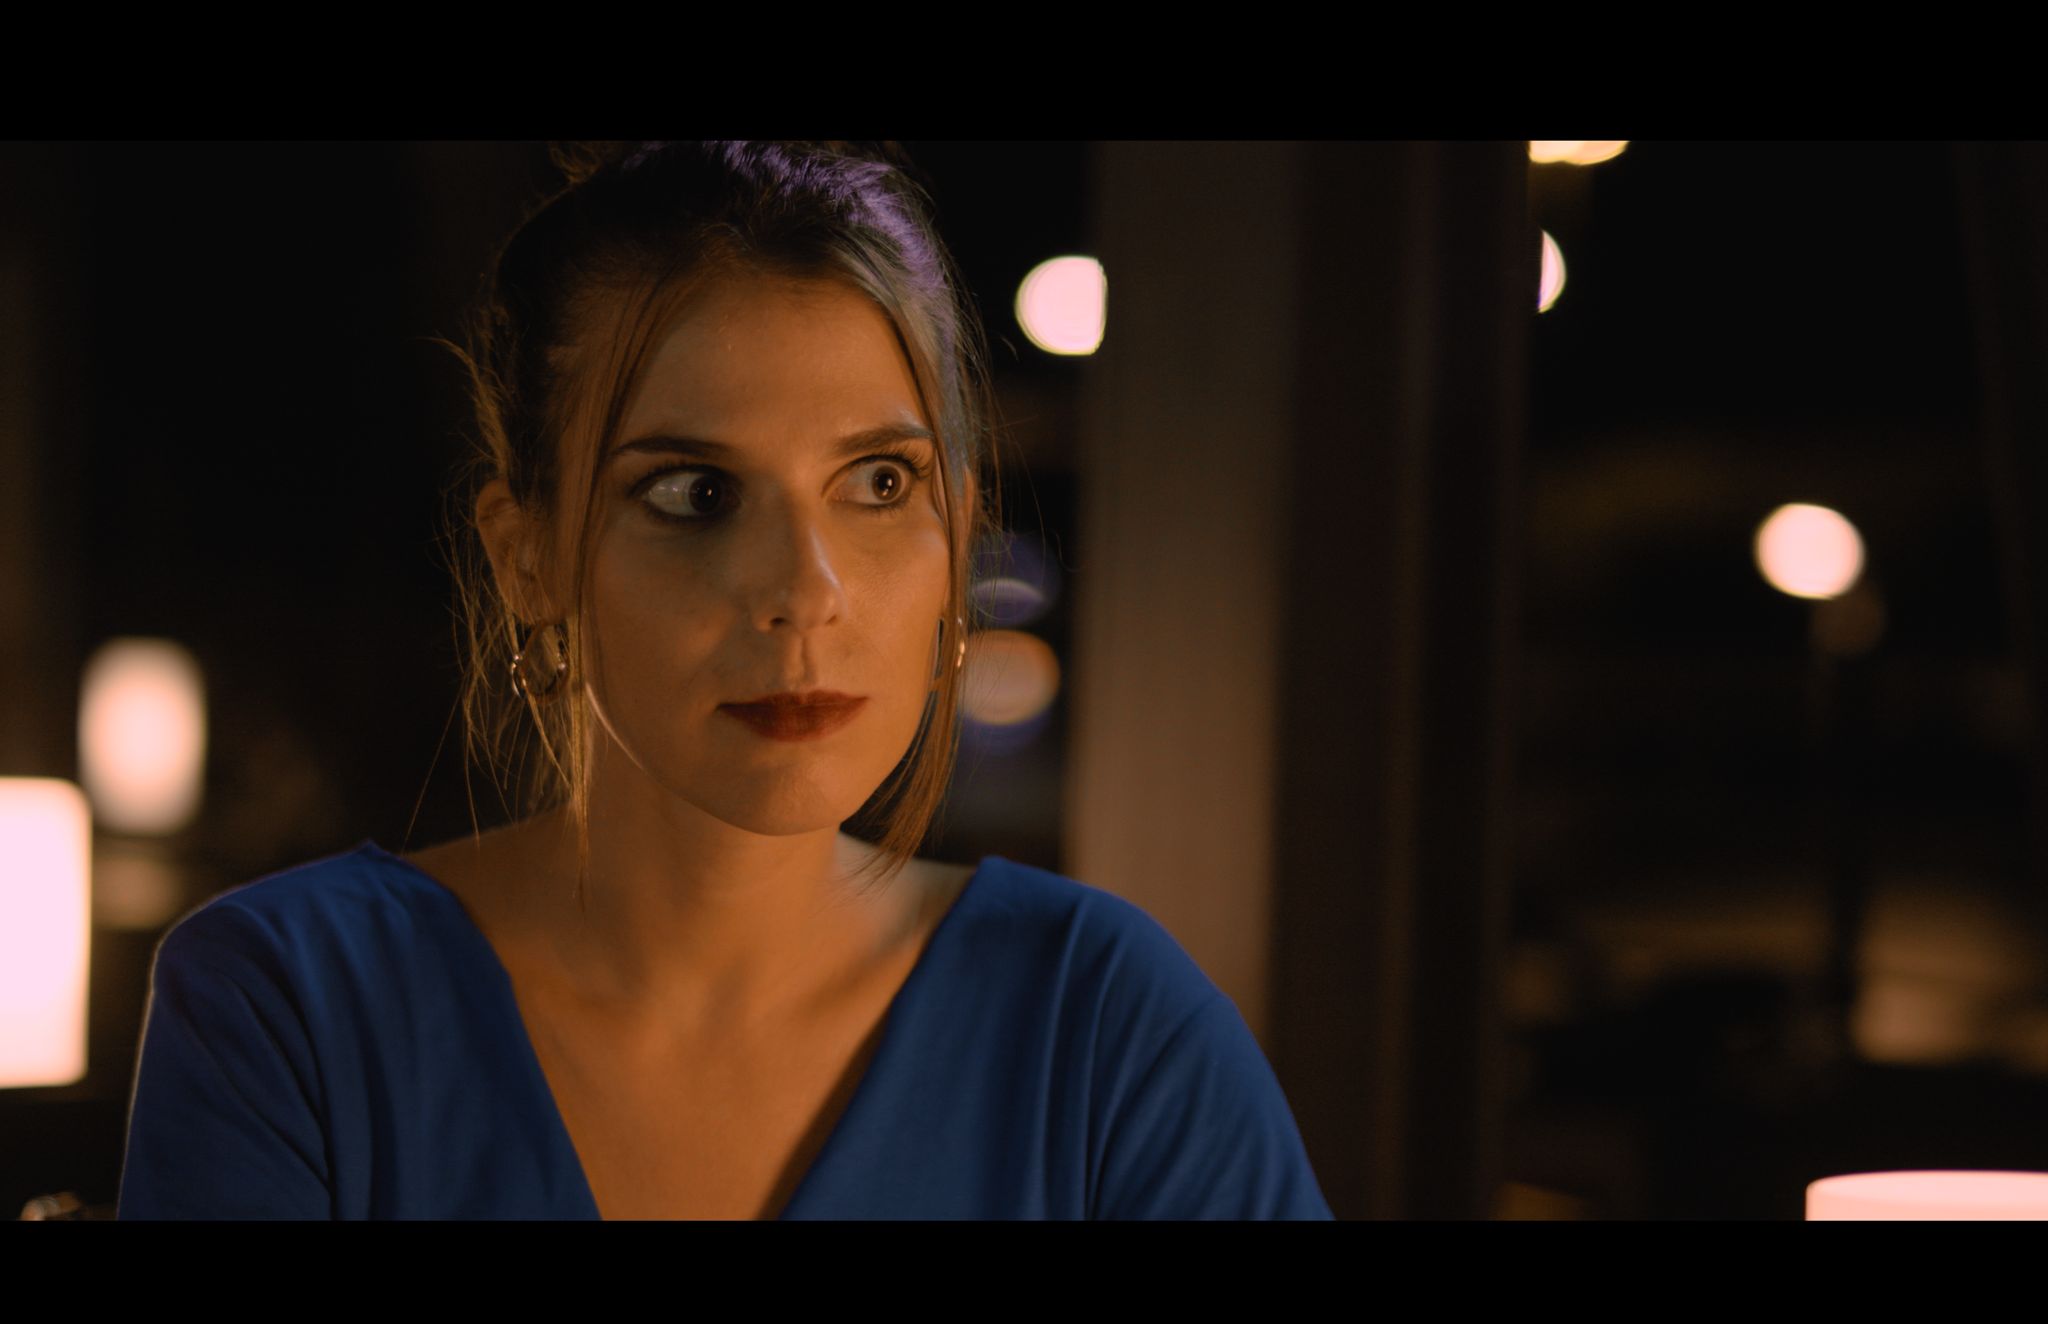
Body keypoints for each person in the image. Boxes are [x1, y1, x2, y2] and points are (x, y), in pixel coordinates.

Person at [116, 141, 1333, 1220]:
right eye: (694, 493)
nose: (804, 591)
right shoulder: (292, 1006)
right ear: (527, 556)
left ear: (959, 529)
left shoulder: (1101, 1026)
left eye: (878, 485)